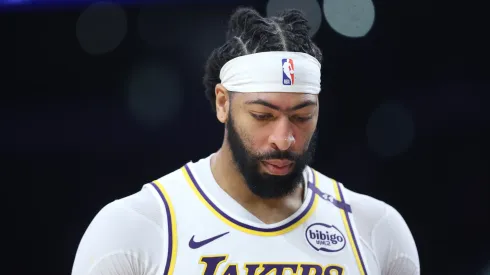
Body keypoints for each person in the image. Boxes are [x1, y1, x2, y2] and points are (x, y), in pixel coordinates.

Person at [72, 7, 420, 275]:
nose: (284, 138)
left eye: (302, 116)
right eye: (262, 116)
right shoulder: (133, 229)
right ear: (223, 103)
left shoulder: (376, 229)